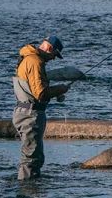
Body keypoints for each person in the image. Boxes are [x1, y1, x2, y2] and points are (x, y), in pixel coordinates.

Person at [12, 36, 70, 180]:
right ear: (50, 48)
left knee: (32, 155)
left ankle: (31, 188)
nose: (54, 59)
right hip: (30, 115)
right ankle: (28, 192)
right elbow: (41, 94)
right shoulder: (35, 61)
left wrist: (54, 93)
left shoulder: (27, 57)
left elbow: (34, 90)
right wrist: (60, 89)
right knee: (32, 158)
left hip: (24, 111)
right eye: (55, 55)